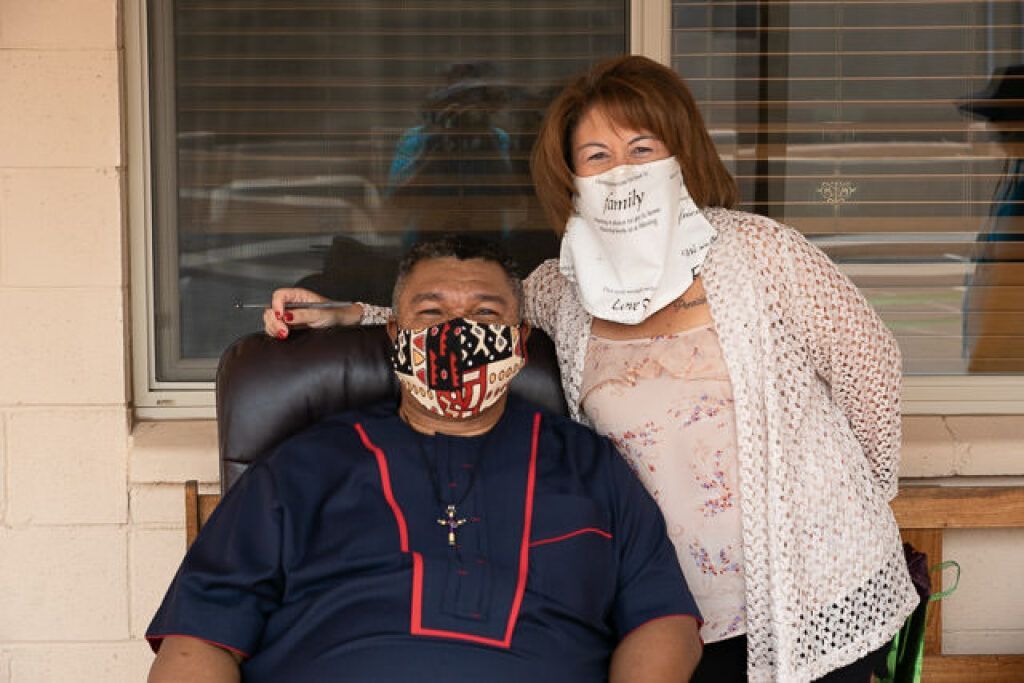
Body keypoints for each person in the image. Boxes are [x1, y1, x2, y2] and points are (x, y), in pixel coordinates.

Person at [263, 55, 920, 681]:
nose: (622, 173)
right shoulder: (565, 286)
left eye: (642, 148)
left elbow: (871, 368)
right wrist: (351, 313)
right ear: (572, 177)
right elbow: (471, 317)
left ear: (680, 154)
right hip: (670, 609)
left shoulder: (762, 253)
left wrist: (856, 500)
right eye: (597, 156)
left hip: (814, 586)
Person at [148, 236, 703, 683]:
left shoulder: (588, 465)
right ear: (395, 334)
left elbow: (663, 621)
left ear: (519, 338)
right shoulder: (300, 468)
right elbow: (197, 641)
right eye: (431, 313)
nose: (457, 333)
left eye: (485, 313)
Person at [958, 64, 1024, 373]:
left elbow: (1009, 288)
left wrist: (982, 363)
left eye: (998, 120)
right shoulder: (1015, 178)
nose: (992, 130)